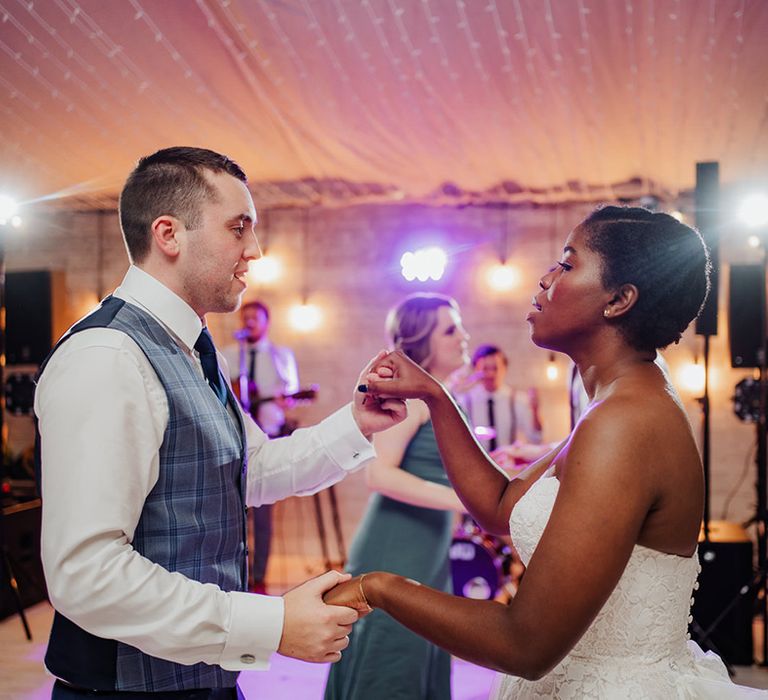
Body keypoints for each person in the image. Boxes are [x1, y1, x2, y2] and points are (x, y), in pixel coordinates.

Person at [325, 206, 764, 697]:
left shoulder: (625, 421)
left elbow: (525, 644)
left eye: (568, 264)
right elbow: (498, 506)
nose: (545, 277)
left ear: (618, 300)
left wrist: (378, 588)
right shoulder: (619, 399)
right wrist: (435, 394)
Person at [35, 146, 406, 699]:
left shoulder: (195, 348)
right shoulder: (109, 355)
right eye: (239, 228)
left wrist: (356, 423)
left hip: (205, 677)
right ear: (169, 235)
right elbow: (87, 575)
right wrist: (271, 624)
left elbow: (249, 469)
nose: (254, 250)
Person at [324, 293, 469, 700]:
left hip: (428, 546)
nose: (464, 336)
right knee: (393, 655)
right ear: (423, 340)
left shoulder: (438, 398)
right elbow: (379, 474)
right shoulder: (410, 399)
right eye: (450, 329)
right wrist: (463, 501)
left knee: (423, 649)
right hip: (397, 544)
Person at [222, 300, 300, 593]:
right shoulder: (228, 355)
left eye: (256, 317)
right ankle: (234, 573)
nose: (250, 321)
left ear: (267, 322)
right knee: (233, 511)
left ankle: (260, 577)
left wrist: (286, 400)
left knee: (264, 510)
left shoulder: (281, 356)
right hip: (232, 439)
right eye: (247, 317)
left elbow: (291, 394)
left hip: (267, 434)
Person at [455, 344, 545, 469]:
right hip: (474, 469)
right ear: (476, 370)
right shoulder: (464, 401)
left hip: (508, 470)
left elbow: (536, 438)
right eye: (485, 369)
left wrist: (535, 410)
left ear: (504, 369)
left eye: (495, 368)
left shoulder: (518, 400)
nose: (491, 374)